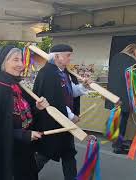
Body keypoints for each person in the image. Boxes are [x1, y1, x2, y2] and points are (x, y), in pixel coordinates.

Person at [0, 45, 49, 180]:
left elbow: (23, 114)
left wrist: (37, 108)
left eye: (21, 60)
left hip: (22, 151)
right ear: (3, 63)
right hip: (5, 152)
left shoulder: (14, 84)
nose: (20, 64)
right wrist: (23, 134)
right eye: (15, 60)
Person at [32, 44, 90, 180]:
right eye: (68, 55)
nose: (71, 58)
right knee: (44, 154)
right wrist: (70, 116)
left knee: (68, 153)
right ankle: (24, 175)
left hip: (65, 122)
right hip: (51, 121)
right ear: (57, 56)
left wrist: (82, 87)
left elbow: (70, 93)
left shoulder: (64, 73)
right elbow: (53, 100)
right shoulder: (47, 73)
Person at [106, 43, 136, 154]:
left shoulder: (116, 57)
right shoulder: (131, 61)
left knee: (117, 120)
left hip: (113, 94)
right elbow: (133, 80)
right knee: (122, 121)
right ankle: (118, 146)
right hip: (124, 96)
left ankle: (117, 142)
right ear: (135, 52)